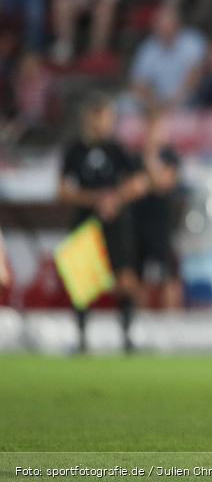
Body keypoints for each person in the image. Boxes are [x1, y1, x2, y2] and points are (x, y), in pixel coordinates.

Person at [58, 93, 148, 353]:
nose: (102, 123)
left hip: (116, 223)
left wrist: (115, 199)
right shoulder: (74, 150)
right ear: (87, 118)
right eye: (97, 117)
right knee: (82, 281)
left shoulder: (118, 149)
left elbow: (139, 183)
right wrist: (95, 199)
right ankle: (82, 338)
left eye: (106, 117)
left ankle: (127, 336)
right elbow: (62, 190)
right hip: (85, 221)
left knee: (125, 279)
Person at [133, 111, 182, 309]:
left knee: (169, 275)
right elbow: (132, 188)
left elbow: (164, 183)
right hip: (139, 221)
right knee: (139, 276)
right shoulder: (135, 158)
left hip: (161, 224)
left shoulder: (170, 157)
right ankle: (139, 319)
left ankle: (172, 318)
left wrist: (150, 170)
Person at [129, 5, 207, 112]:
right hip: (157, 102)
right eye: (159, 26)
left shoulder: (192, 41)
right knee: (128, 103)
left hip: (189, 99)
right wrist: (154, 102)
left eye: (165, 25)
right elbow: (139, 83)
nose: (162, 30)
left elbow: (194, 76)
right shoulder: (147, 48)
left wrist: (175, 100)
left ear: (177, 24)